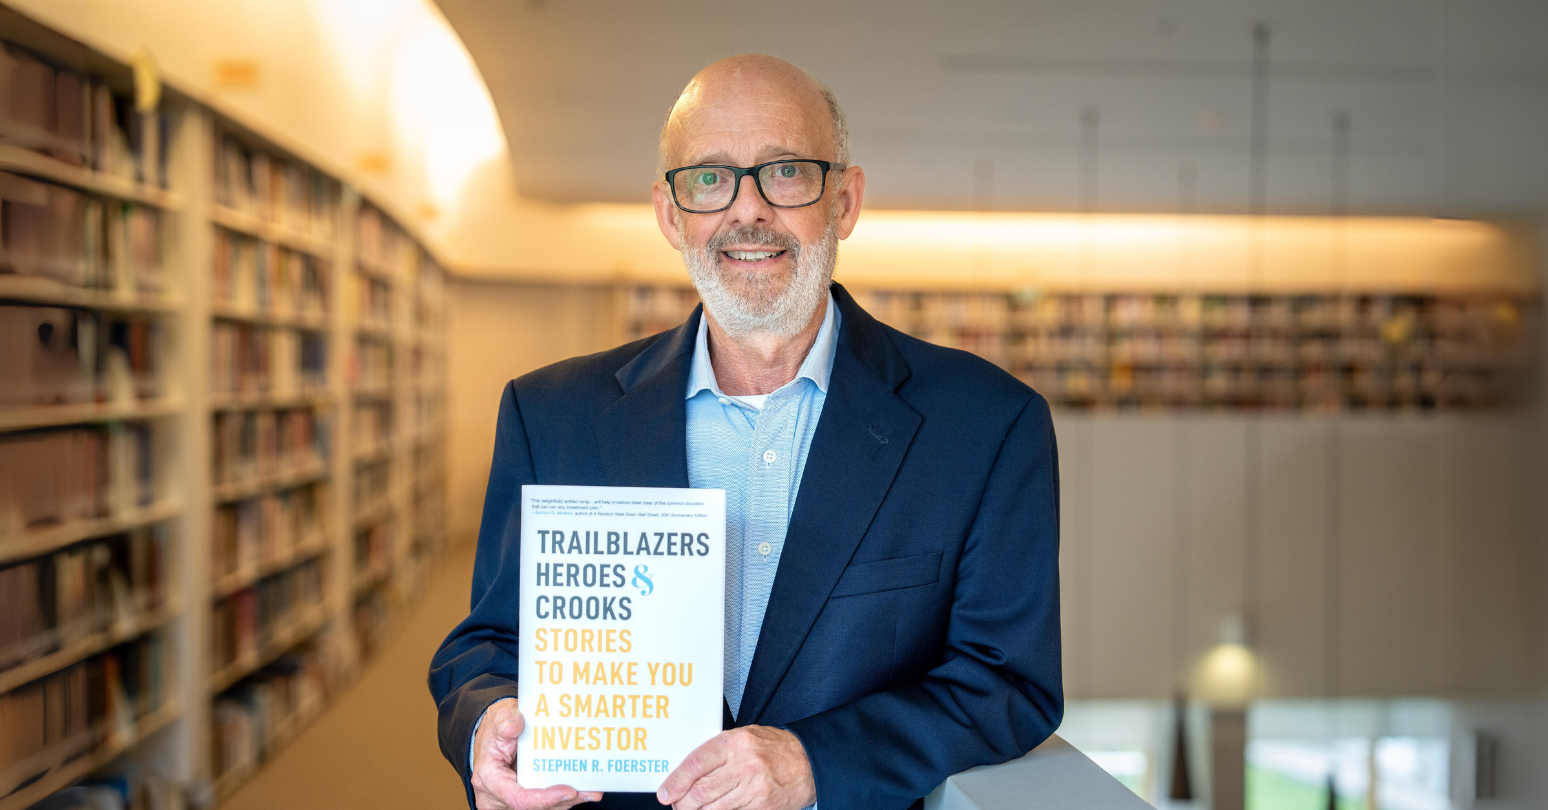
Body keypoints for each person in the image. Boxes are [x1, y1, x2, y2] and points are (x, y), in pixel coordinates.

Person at [429, 54, 1062, 810]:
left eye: (786, 172)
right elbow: (488, 648)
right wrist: (486, 728)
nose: (748, 210)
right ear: (670, 215)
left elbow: (1007, 682)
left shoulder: (987, 425)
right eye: (709, 179)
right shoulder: (549, 415)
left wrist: (813, 763)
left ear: (845, 202)